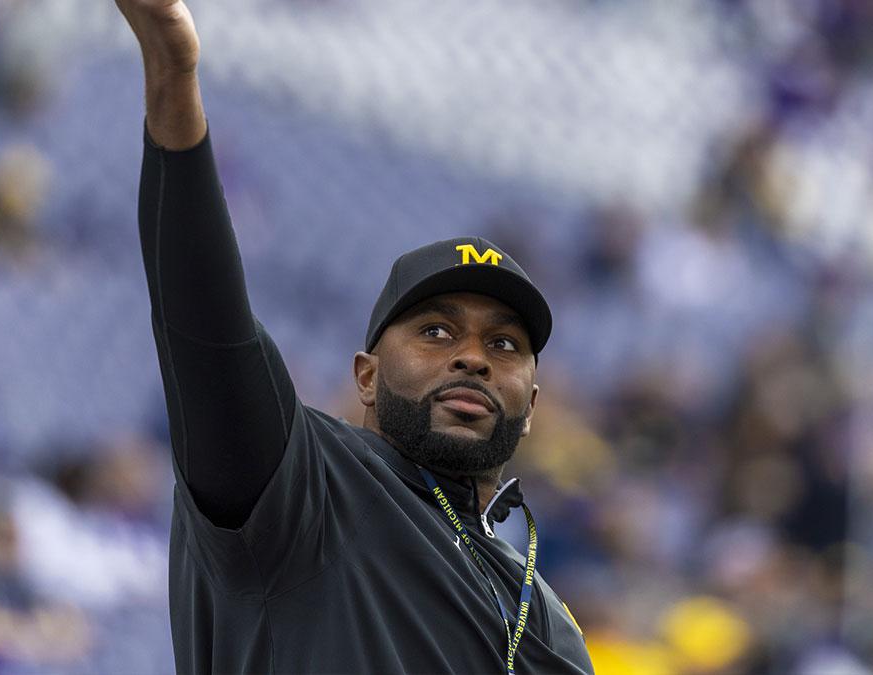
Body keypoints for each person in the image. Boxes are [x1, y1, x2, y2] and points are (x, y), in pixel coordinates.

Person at [116, 0, 594, 672]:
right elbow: (204, 319)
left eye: (505, 345)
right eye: (436, 330)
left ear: (533, 403)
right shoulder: (297, 480)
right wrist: (173, 71)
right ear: (365, 376)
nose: (473, 358)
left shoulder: (545, 618)